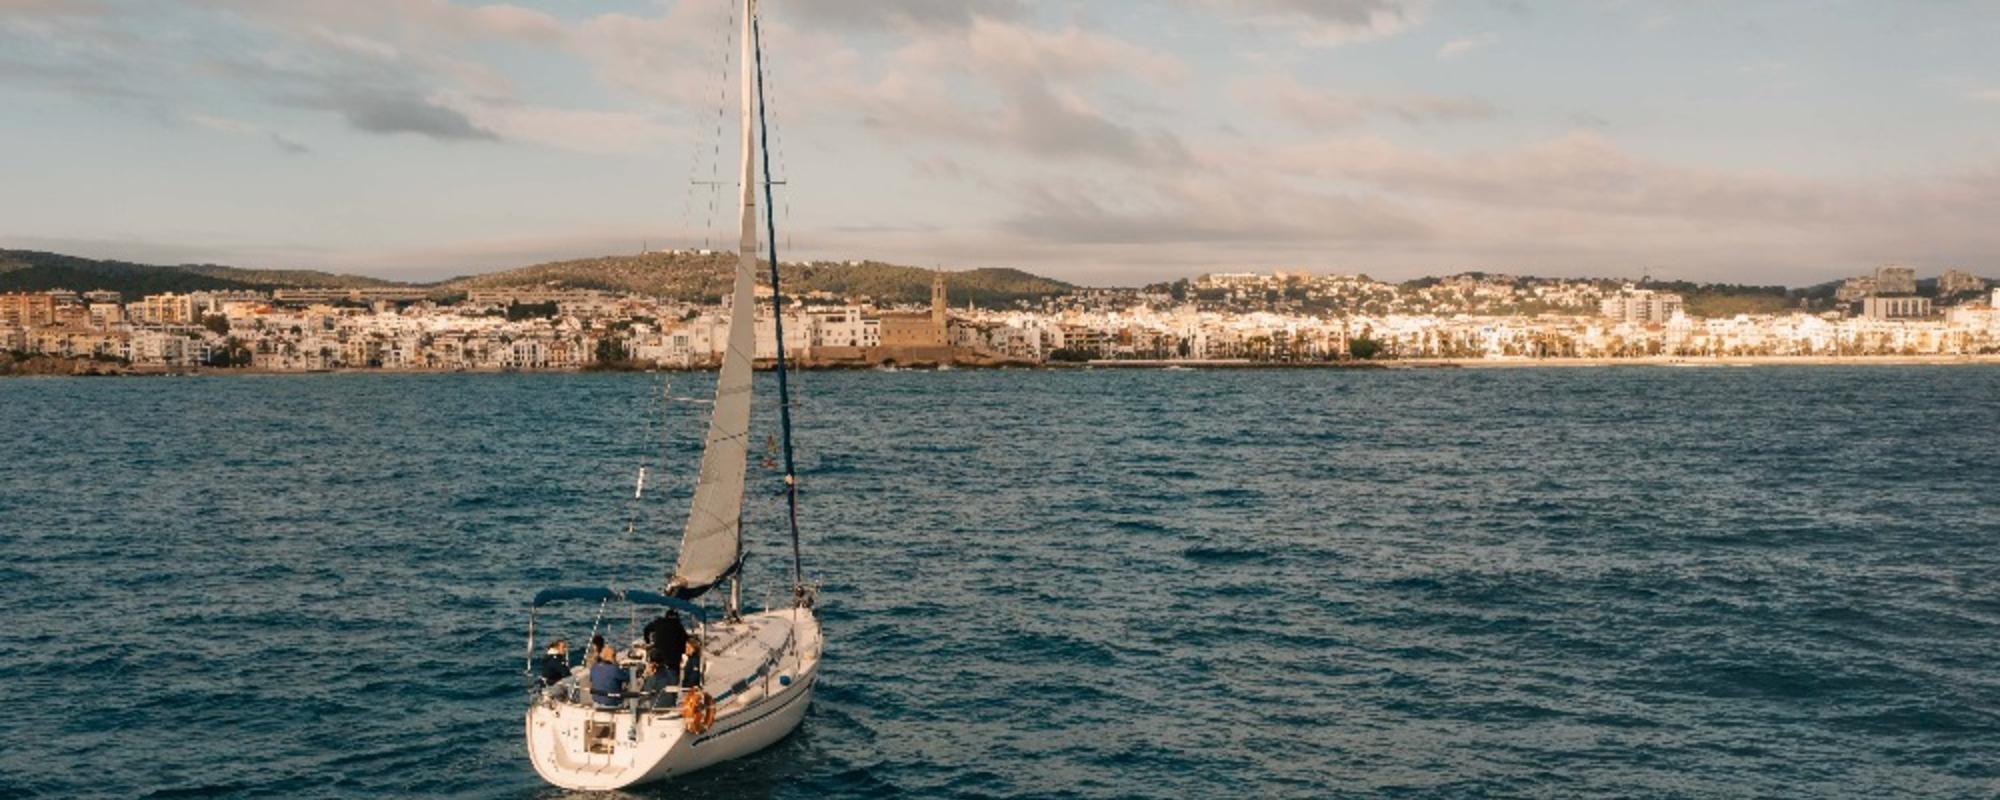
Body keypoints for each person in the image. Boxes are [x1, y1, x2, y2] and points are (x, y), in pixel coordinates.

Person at [643, 611, 687, 676]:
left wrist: (647, 641)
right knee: (674, 673)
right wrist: (682, 651)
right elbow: (684, 639)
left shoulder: (659, 622)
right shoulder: (678, 626)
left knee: (657, 672)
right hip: (674, 656)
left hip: (659, 654)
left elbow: (646, 629)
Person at [588, 643, 626, 708]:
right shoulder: (614, 669)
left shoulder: (594, 667)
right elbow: (627, 677)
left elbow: (591, 680)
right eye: (614, 655)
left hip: (596, 703)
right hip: (613, 705)